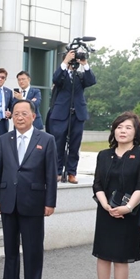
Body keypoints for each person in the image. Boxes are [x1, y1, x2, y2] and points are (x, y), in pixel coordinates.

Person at [0, 99, 57, 279]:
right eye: (16, 113)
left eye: (24, 113)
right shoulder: (4, 139)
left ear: (33, 116)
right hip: (8, 199)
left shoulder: (46, 140)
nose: (19, 117)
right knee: (10, 246)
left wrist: (50, 202)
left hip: (34, 201)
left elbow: (51, 174)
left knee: (33, 247)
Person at [91, 112, 140, 279]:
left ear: (136, 132)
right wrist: (106, 205)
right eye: (119, 127)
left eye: (127, 127)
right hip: (106, 212)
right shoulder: (104, 155)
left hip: (129, 213)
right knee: (102, 256)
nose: (122, 131)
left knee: (120, 259)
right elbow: (97, 184)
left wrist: (127, 207)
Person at [47, 49, 96, 184]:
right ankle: (57, 171)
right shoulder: (61, 74)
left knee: (75, 144)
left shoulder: (80, 76)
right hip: (61, 113)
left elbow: (91, 81)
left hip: (78, 113)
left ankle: (71, 172)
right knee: (59, 143)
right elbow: (56, 78)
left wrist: (84, 63)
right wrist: (65, 61)